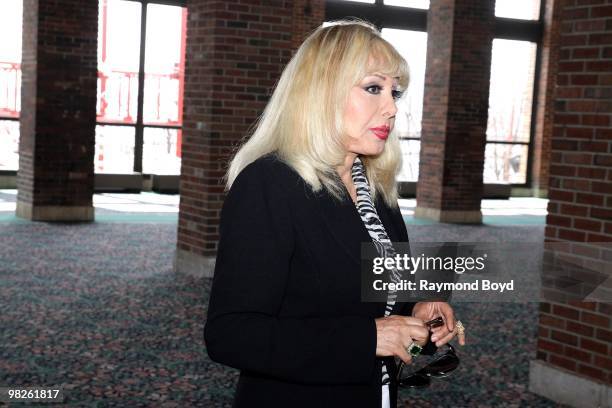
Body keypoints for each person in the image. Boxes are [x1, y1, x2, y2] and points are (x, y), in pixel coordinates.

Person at [204, 20, 466, 408]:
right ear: (321, 92)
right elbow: (231, 333)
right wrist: (366, 339)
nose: (391, 108)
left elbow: (370, 295)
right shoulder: (270, 183)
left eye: (395, 93)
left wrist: (417, 311)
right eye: (373, 88)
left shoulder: (374, 189)